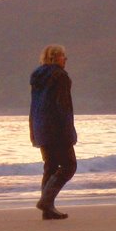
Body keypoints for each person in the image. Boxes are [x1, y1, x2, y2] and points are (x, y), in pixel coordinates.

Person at [29, 44, 77, 219]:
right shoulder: (60, 76)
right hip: (57, 128)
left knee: (50, 167)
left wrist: (33, 129)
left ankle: (47, 210)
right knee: (69, 165)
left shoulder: (37, 76)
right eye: (64, 56)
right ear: (56, 58)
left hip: (40, 126)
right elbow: (62, 106)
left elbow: (34, 106)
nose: (65, 60)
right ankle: (46, 201)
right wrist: (69, 131)